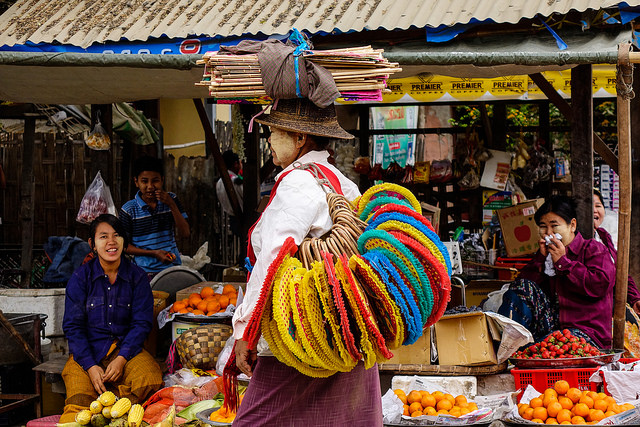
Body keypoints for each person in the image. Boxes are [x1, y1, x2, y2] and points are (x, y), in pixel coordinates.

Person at [231, 98, 382, 426]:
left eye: (273, 132)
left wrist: (247, 331)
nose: (269, 140)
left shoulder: (298, 183)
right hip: (347, 328)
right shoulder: (344, 183)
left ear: (300, 138)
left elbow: (273, 258)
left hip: (301, 331)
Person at [60, 214, 163, 422]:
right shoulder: (81, 278)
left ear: (125, 242)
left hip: (126, 350)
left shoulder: (138, 277)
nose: (111, 242)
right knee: (77, 401)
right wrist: (90, 366)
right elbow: (73, 326)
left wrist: (121, 359)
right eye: (103, 236)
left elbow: (141, 323)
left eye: (117, 235)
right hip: (87, 353)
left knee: (151, 379)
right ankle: (105, 404)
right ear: (92, 244)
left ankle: (113, 408)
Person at [498, 195, 616, 348]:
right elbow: (523, 288)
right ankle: (507, 349)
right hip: (553, 330)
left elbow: (599, 286)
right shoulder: (545, 256)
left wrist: (563, 263)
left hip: (588, 334)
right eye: (543, 227)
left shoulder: (593, 249)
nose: (548, 233)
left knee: (541, 349)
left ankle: (528, 349)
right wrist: (540, 258)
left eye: (554, 226)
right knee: (521, 287)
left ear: (572, 225)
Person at [120, 156, 190, 275]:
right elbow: (123, 246)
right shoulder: (129, 210)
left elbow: (186, 233)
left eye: (155, 181)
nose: (150, 186)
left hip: (172, 269)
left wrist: (171, 205)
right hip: (143, 271)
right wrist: (154, 253)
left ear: (162, 180)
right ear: (136, 182)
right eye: (144, 181)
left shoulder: (171, 199)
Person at [593, 190, 640, 314]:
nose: (594, 210)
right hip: (594, 311)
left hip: (611, 305)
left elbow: (620, 272)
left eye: (598, 206)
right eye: (589, 206)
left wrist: (635, 298)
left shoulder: (603, 236)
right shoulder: (576, 241)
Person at [215, 149, 244, 238]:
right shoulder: (236, 181)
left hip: (232, 219)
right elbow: (246, 197)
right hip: (243, 219)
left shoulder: (219, 182)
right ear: (235, 164)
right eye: (239, 163)